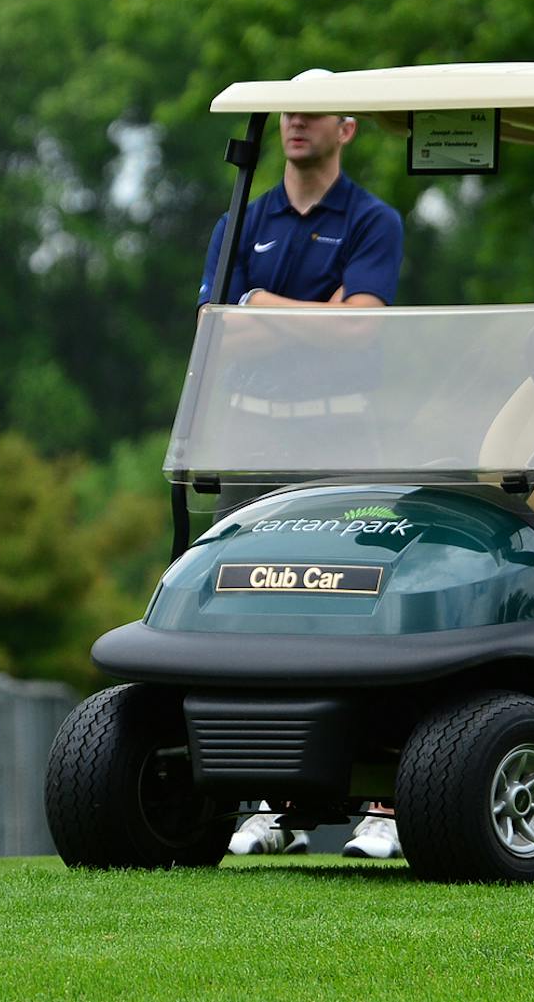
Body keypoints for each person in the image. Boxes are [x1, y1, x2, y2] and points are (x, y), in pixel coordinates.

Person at [201, 70, 406, 860]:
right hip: (250, 443)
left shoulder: (371, 220)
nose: (296, 123)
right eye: (288, 111)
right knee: (252, 617)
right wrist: (317, 316)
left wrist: (263, 309)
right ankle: (270, 799)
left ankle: (379, 802)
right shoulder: (241, 220)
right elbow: (215, 329)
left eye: (313, 112)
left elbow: (363, 330)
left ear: (345, 128)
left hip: (343, 440)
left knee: (353, 614)